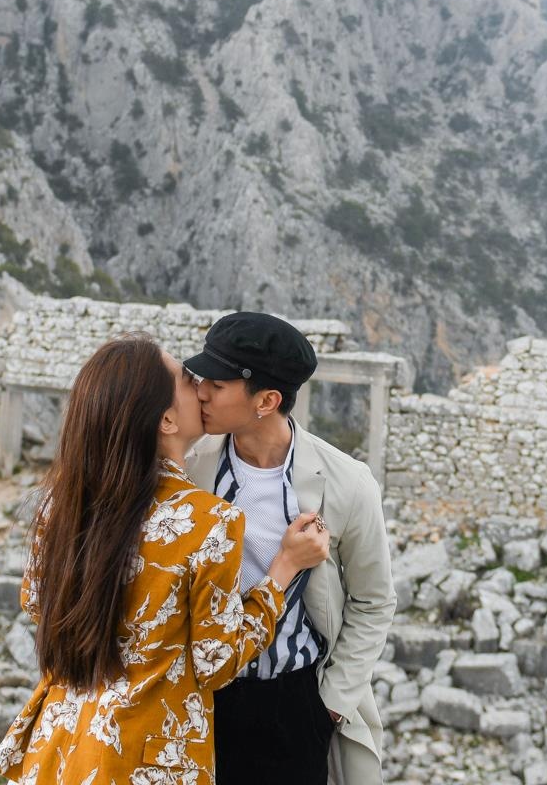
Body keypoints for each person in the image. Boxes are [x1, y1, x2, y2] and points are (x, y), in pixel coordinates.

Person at [0, 333, 330, 785]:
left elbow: (36, 602)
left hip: (60, 744)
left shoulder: (61, 503)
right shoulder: (208, 520)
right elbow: (216, 662)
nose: (203, 386)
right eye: (188, 379)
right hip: (145, 758)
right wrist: (283, 570)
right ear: (167, 419)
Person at [184, 312, 396, 785]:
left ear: (267, 400)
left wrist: (332, 707)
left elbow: (374, 600)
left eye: (216, 385)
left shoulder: (348, 482)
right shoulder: (190, 468)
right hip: (199, 699)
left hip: (295, 706)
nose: (200, 392)